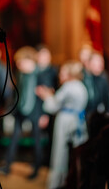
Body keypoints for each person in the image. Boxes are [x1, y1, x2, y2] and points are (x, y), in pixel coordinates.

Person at [36, 60, 88, 189]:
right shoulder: (81, 86)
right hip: (78, 120)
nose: (60, 75)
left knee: (60, 153)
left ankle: (57, 183)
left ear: (70, 74)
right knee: (76, 152)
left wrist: (46, 96)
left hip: (65, 121)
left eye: (62, 72)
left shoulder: (68, 87)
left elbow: (53, 106)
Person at [1, 46, 41, 179]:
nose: (18, 64)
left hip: (35, 111)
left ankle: (36, 168)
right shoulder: (20, 73)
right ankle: (7, 166)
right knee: (14, 138)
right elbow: (16, 91)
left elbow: (43, 95)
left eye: (20, 62)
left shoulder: (39, 73)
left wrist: (44, 114)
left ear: (28, 60)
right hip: (20, 109)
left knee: (36, 140)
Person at [82, 52, 109, 121]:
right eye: (96, 63)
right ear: (88, 64)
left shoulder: (104, 77)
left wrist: (108, 112)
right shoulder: (83, 77)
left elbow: (107, 97)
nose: (100, 66)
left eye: (101, 63)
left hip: (100, 114)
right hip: (85, 114)